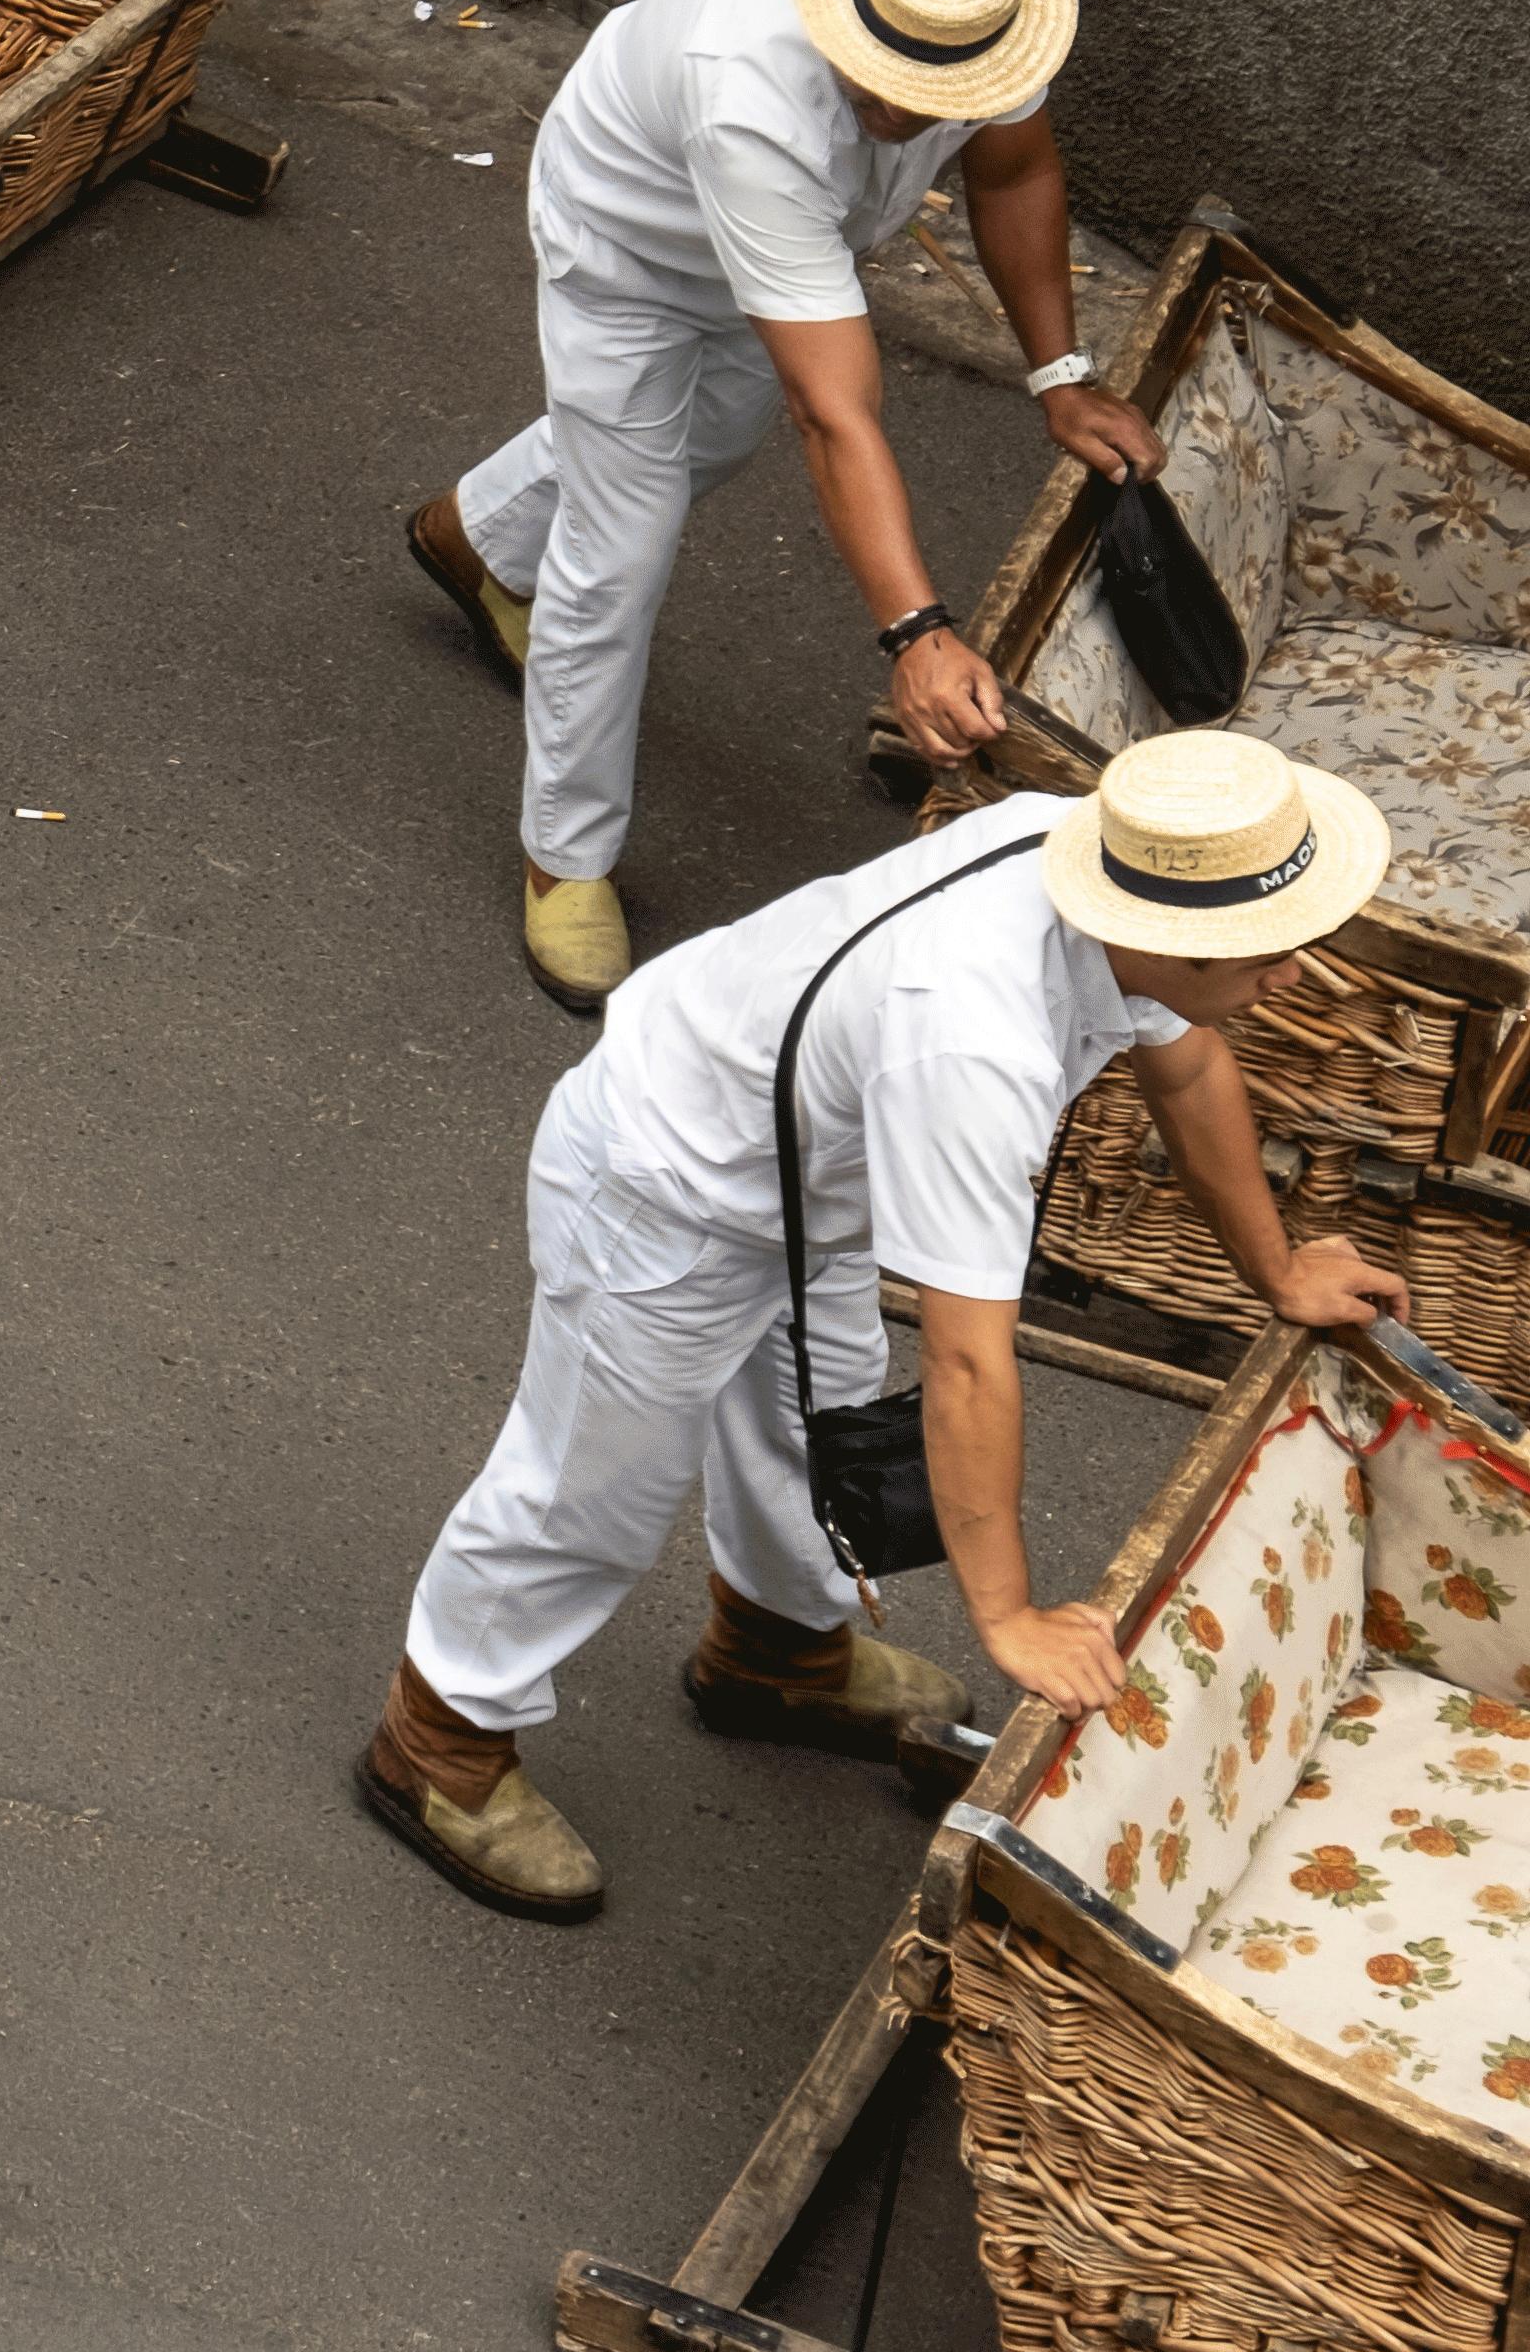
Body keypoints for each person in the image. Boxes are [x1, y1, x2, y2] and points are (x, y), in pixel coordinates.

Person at [361, 732, 1415, 1923]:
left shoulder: (1107, 867)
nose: (1294, 970)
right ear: (1172, 935)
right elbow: (967, 1362)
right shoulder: (973, 1039)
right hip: (666, 1181)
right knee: (592, 1487)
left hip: (806, 1166)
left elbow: (1189, 1068)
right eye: (1271, 950)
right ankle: (440, 1733)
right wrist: (1009, 1618)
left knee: (822, 1411)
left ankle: (776, 1648)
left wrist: (1279, 1268)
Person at [403, 0, 1151, 1007]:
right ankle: (567, 852)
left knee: (703, 441)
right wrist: (917, 633)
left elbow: (1013, 170)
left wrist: (1062, 374)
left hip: (794, 257)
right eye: (883, 85)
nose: (906, 117)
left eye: (935, 96)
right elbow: (834, 410)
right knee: (622, 542)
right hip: (634, 250)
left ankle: (480, 533)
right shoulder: (749, 87)